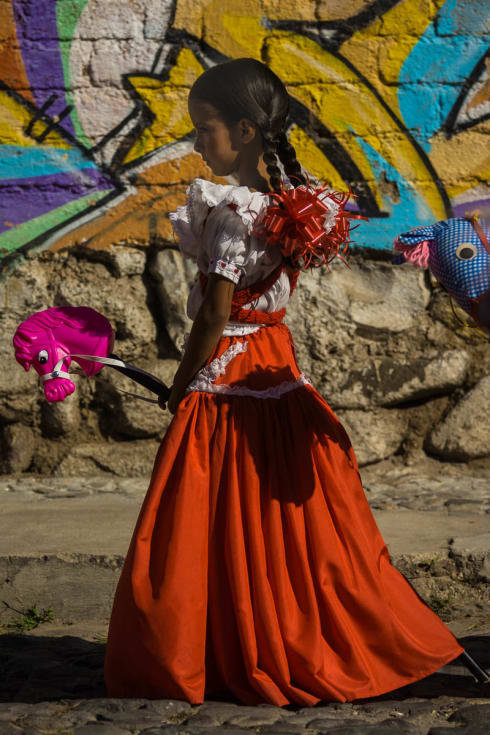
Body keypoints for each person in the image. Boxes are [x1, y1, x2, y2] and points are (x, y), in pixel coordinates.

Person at [104, 58, 466, 706]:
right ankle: (275, 636)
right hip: (278, 370)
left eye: (205, 129)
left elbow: (215, 313)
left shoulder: (237, 213)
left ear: (244, 132)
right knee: (280, 526)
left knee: (204, 518)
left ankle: (204, 649)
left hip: (229, 380)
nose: (197, 142)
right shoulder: (290, 206)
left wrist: (180, 383)